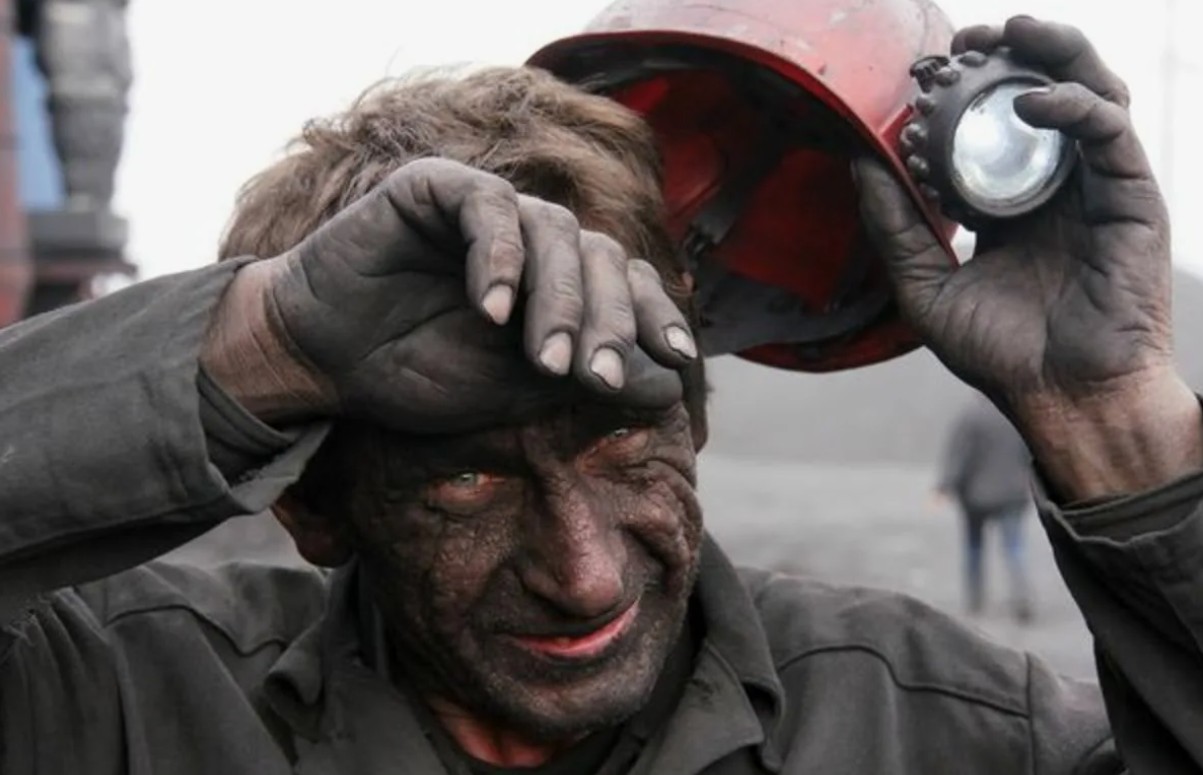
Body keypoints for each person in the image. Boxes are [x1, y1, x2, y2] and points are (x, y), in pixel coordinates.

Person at [2, 11, 1202, 775]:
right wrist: (262, 342)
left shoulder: (936, 730)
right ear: (313, 506)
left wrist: (1113, 421)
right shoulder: (118, 698)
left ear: (695, 412)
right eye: (467, 480)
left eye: (626, 445)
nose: (581, 574)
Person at [935, 393, 1035, 621]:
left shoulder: (970, 418)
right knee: (1014, 549)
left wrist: (945, 486)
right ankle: (1021, 596)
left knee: (974, 548)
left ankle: (975, 600)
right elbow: (1030, 456)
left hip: (976, 497)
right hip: (1012, 494)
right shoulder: (1015, 417)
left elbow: (959, 457)